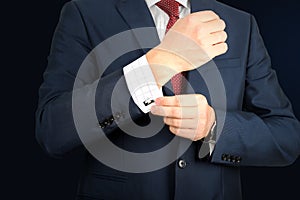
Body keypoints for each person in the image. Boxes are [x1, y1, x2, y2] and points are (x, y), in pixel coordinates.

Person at [35, 0, 300, 199]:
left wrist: (213, 126)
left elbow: (286, 136)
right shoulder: (84, 13)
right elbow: (53, 131)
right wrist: (158, 63)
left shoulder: (241, 23)